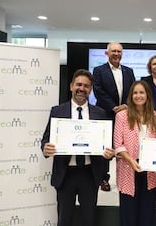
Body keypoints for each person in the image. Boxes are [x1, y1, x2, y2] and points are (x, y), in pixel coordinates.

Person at [41, 69, 115, 226]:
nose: (82, 88)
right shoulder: (57, 111)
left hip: (90, 173)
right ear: (71, 86)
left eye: (86, 86)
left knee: (89, 219)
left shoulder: (100, 113)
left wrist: (110, 153)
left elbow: (108, 145)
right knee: (64, 220)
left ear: (90, 89)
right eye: (78, 84)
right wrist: (46, 148)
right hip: (65, 173)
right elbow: (46, 139)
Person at [109, 80, 156, 226]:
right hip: (128, 168)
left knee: (148, 213)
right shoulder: (122, 116)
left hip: (149, 170)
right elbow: (118, 144)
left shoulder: (155, 116)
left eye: (141, 92)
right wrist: (132, 161)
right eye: (135, 93)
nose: (138, 96)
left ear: (147, 95)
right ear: (131, 96)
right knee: (129, 214)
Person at [93, 42, 136, 191]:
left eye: (119, 51)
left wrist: (125, 106)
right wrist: (114, 107)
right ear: (107, 53)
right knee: (106, 147)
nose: (116, 54)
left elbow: (133, 91)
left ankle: (127, 175)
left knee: (124, 145)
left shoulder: (129, 71)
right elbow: (98, 91)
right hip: (106, 114)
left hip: (126, 115)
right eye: (113, 51)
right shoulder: (99, 70)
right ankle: (103, 178)